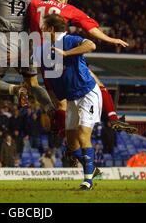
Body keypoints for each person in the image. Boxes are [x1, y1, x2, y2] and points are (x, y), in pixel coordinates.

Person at [28, 0, 137, 134]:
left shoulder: (34, 2)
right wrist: (111, 39)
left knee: (60, 104)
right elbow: (91, 30)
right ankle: (113, 119)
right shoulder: (68, 8)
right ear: (64, 0)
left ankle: (62, 134)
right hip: (60, 50)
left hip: (41, 57)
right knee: (98, 85)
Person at [40, 14, 102, 190]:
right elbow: (50, 82)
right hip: (71, 97)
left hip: (87, 93)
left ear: (51, 29)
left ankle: (87, 180)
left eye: (44, 27)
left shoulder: (69, 39)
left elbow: (91, 44)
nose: (42, 30)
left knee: (83, 135)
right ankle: (92, 168)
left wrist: (67, 53)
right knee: (72, 144)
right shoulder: (46, 50)